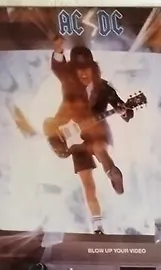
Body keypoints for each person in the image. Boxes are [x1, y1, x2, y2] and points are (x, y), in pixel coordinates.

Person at [49, 37, 134, 234]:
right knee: (88, 183)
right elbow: (59, 68)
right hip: (70, 136)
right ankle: (98, 227)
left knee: (98, 146)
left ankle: (112, 171)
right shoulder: (69, 83)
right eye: (79, 70)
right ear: (73, 71)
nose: (84, 73)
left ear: (93, 68)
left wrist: (124, 111)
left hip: (96, 132)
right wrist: (58, 52)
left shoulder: (104, 88)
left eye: (87, 69)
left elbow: (126, 111)